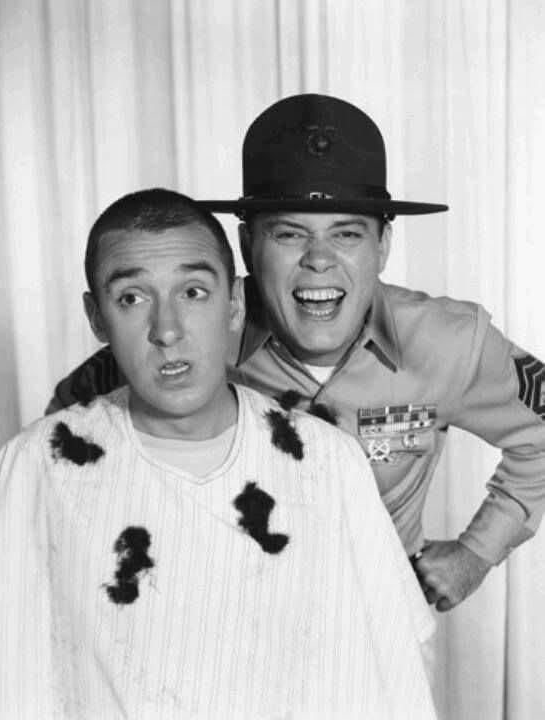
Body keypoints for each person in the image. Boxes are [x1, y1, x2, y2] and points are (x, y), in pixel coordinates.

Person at [47, 94, 545, 613]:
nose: (319, 260)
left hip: (379, 626)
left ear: (382, 246)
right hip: (223, 625)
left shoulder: (449, 342)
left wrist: (476, 552)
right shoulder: (190, 332)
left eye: (346, 234)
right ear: (247, 246)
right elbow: (61, 446)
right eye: (289, 234)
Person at [0, 188, 436, 719]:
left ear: (235, 304)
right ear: (96, 317)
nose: (167, 330)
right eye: (132, 298)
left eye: (193, 292)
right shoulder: (37, 467)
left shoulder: (326, 462)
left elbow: (397, 668)